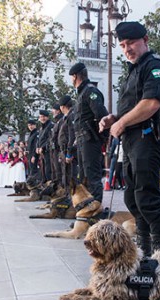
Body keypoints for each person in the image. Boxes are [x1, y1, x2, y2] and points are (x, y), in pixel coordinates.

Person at [98, 21, 160, 256]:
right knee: (132, 197)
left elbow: (151, 104)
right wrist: (114, 118)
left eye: (130, 43)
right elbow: (133, 106)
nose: (126, 49)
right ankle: (144, 247)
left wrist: (122, 122)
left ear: (145, 40)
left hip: (147, 139)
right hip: (131, 141)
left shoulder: (155, 68)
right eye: (122, 45)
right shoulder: (134, 70)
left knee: (147, 196)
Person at [70, 62, 109, 203]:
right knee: (83, 176)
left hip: (90, 139)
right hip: (82, 139)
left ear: (75, 76)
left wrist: (102, 138)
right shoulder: (82, 93)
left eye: (71, 77)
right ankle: (86, 209)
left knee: (92, 176)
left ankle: (96, 211)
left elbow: (101, 115)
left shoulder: (90, 91)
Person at [57, 95, 77, 190]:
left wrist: (69, 153)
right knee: (66, 174)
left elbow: (72, 136)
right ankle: (67, 195)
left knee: (70, 175)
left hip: (69, 151)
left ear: (63, 107)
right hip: (64, 150)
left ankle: (70, 196)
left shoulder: (71, 116)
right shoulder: (67, 117)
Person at [36, 110, 53, 182]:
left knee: (48, 169)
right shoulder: (41, 127)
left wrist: (43, 147)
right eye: (41, 117)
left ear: (47, 117)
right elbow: (39, 139)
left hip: (48, 150)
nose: (42, 118)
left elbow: (50, 139)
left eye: (44, 117)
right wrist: (37, 147)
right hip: (42, 152)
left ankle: (49, 184)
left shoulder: (51, 125)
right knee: (43, 169)